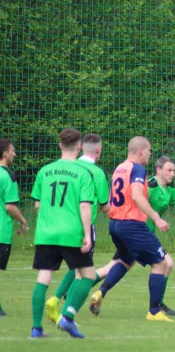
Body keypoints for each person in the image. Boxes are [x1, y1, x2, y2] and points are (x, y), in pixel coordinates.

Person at [89, 156, 175, 316]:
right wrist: (153, 218)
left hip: (132, 231)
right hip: (136, 231)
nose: (173, 174)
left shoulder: (169, 191)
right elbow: (135, 197)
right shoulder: (150, 186)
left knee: (115, 266)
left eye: (174, 170)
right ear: (158, 170)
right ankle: (157, 306)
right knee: (166, 263)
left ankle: (82, 291)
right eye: (169, 170)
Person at [30, 128, 95, 338]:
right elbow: (85, 206)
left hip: (46, 233)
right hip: (70, 233)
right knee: (88, 275)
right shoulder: (83, 173)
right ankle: (68, 316)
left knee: (43, 277)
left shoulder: (44, 171)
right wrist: (87, 234)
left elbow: (38, 205)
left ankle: (36, 328)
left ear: (59, 145)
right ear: (79, 147)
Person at [101, 136, 174, 322]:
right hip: (131, 223)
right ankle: (154, 312)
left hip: (115, 223)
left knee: (125, 260)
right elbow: (136, 195)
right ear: (141, 151)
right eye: (149, 150)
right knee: (161, 263)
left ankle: (100, 293)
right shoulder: (138, 168)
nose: (150, 154)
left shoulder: (120, 167)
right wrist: (156, 218)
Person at [44, 134, 110, 324]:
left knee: (74, 268)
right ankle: (65, 312)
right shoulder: (97, 173)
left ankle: (55, 299)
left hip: (57, 223)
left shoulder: (69, 166)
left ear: (81, 148)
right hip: (82, 226)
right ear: (98, 150)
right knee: (83, 271)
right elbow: (104, 206)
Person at [0, 139, 28, 317]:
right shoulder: (7, 175)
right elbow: (10, 207)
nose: (14, 154)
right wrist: (23, 221)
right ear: (4, 153)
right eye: (12, 150)